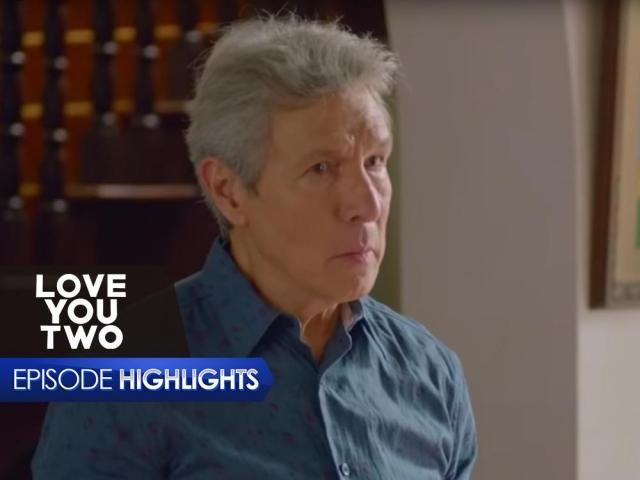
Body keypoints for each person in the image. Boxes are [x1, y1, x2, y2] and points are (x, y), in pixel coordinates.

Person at [32, 14, 477, 479]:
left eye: (375, 162)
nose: (367, 205)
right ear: (228, 191)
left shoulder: (430, 372)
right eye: (321, 168)